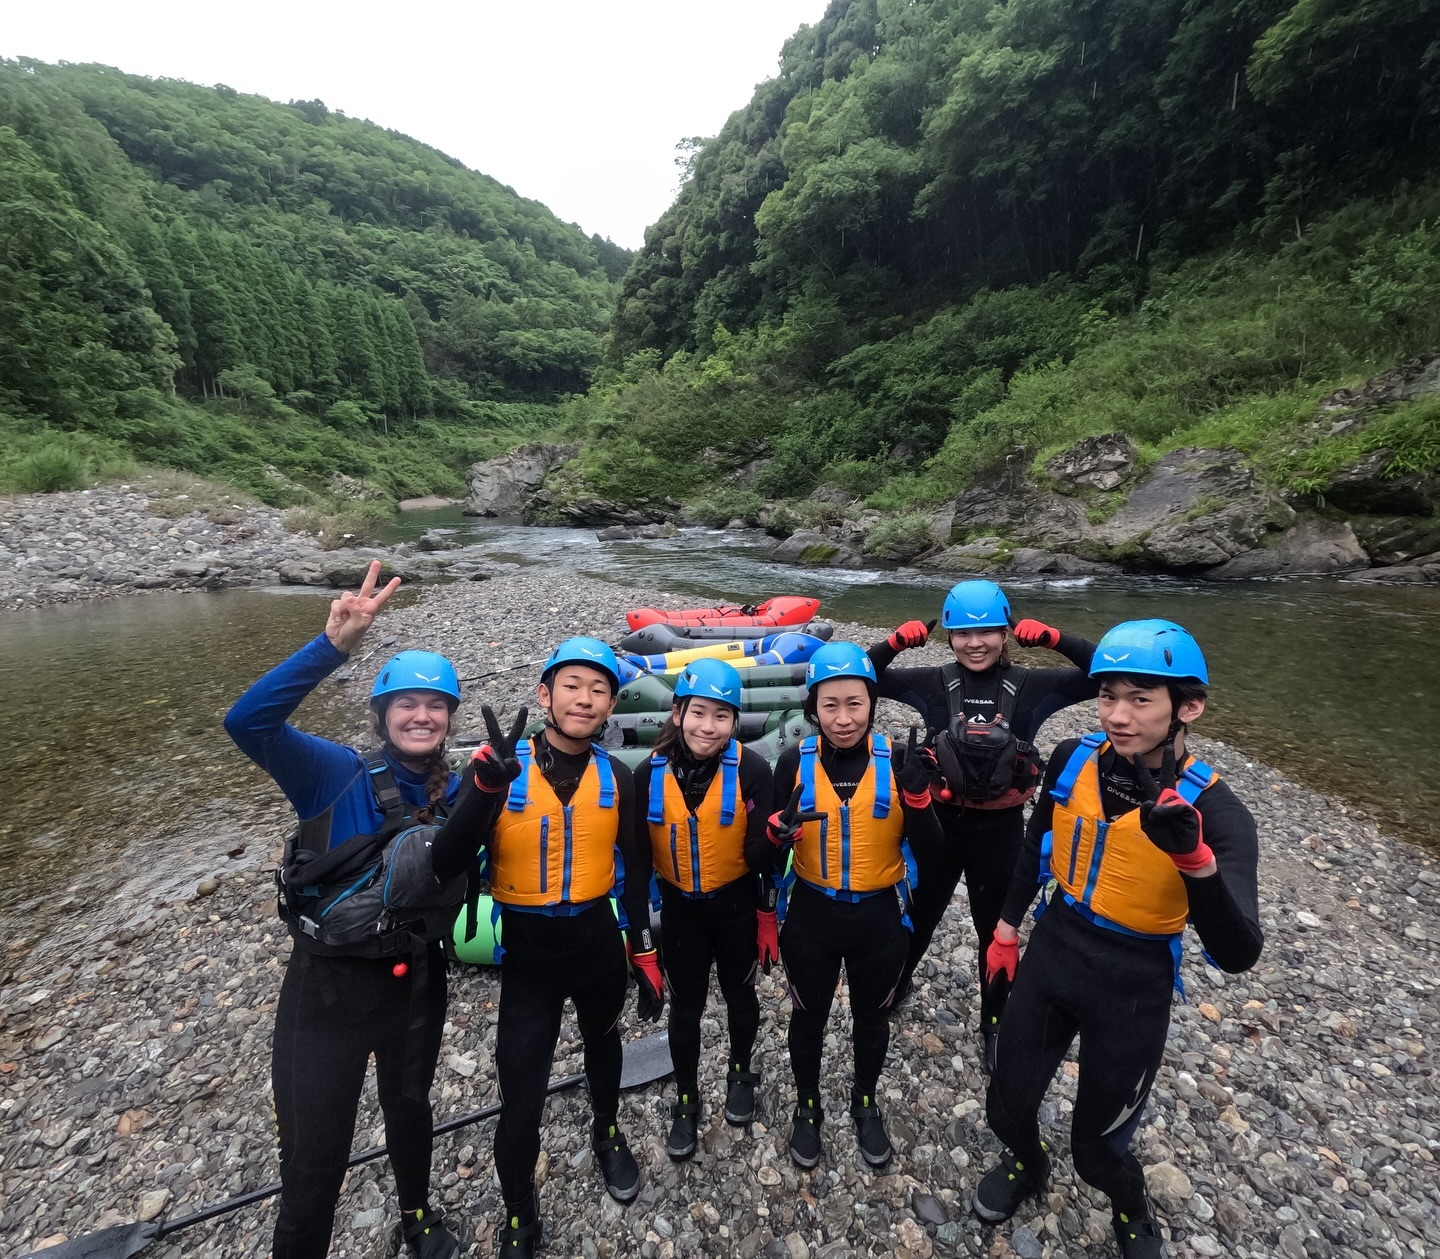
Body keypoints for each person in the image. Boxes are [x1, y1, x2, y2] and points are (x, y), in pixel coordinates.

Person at [972, 619, 1263, 1258]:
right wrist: (1005, 927)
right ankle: (1027, 1162)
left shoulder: (1217, 814)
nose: (1118, 715)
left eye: (1140, 699)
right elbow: (1035, 844)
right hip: (1057, 951)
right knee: (1005, 1109)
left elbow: (1240, 952)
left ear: (1189, 707)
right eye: (1108, 696)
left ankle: (1131, 1208)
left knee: (1099, 1151)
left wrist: (1196, 862)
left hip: (1133, 983)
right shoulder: (1070, 759)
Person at [223, 560, 463, 1259]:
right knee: (313, 1156)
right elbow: (247, 721)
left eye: (435, 705)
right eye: (406, 705)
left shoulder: (460, 790)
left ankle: (416, 1213)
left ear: (449, 717)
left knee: (411, 1109)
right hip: (326, 990)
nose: (421, 715)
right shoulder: (332, 772)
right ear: (383, 715)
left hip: (417, 980)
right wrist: (332, 646)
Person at [431, 637, 660, 1259]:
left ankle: (607, 1134)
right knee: (521, 1087)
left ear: (611, 705)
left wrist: (643, 954)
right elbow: (445, 862)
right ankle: (518, 1214)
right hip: (528, 951)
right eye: (572, 687)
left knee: (603, 1043)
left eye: (598, 690)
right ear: (544, 695)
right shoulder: (503, 768)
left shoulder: (618, 775)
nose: (585, 700)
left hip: (594, 941)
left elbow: (636, 871)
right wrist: (481, 788)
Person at [869, 579, 1099, 1070]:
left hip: (1000, 834)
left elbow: (1105, 674)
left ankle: (993, 1021)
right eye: (963, 634)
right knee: (919, 915)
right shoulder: (934, 681)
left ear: (1006, 633)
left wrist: (1057, 640)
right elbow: (862, 676)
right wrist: (893, 643)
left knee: (995, 930)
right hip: (936, 827)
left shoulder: (1032, 687)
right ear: (947, 637)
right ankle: (898, 982)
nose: (976, 643)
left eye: (989, 631)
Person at [762, 641, 944, 1169]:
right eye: (830, 705)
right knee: (808, 1016)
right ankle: (807, 1105)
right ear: (812, 709)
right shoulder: (793, 762)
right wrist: (776, 838)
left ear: (872, 704)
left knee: (872, 1017)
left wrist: (919, 801)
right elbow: (770, 854)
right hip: (812, 915)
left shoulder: (901, 759)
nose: (843, 719)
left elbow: (933, 855)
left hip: (880, 916)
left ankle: (865, 1102)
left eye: (855, 704)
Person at [631, 657, 776, 1159]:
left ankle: (740, 1070)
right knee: (686, 1008)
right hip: (679, 915)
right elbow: (634, 866)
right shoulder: (646, 776)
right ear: (677, 713)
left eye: (722, 716)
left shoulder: (754, 771)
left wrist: (776, 848)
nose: (708, 727)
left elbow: (760, 858)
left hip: (735, 907)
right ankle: (687, 1100)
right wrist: (641, 946)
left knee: (740, 996)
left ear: (735, 722)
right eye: (699, 713)